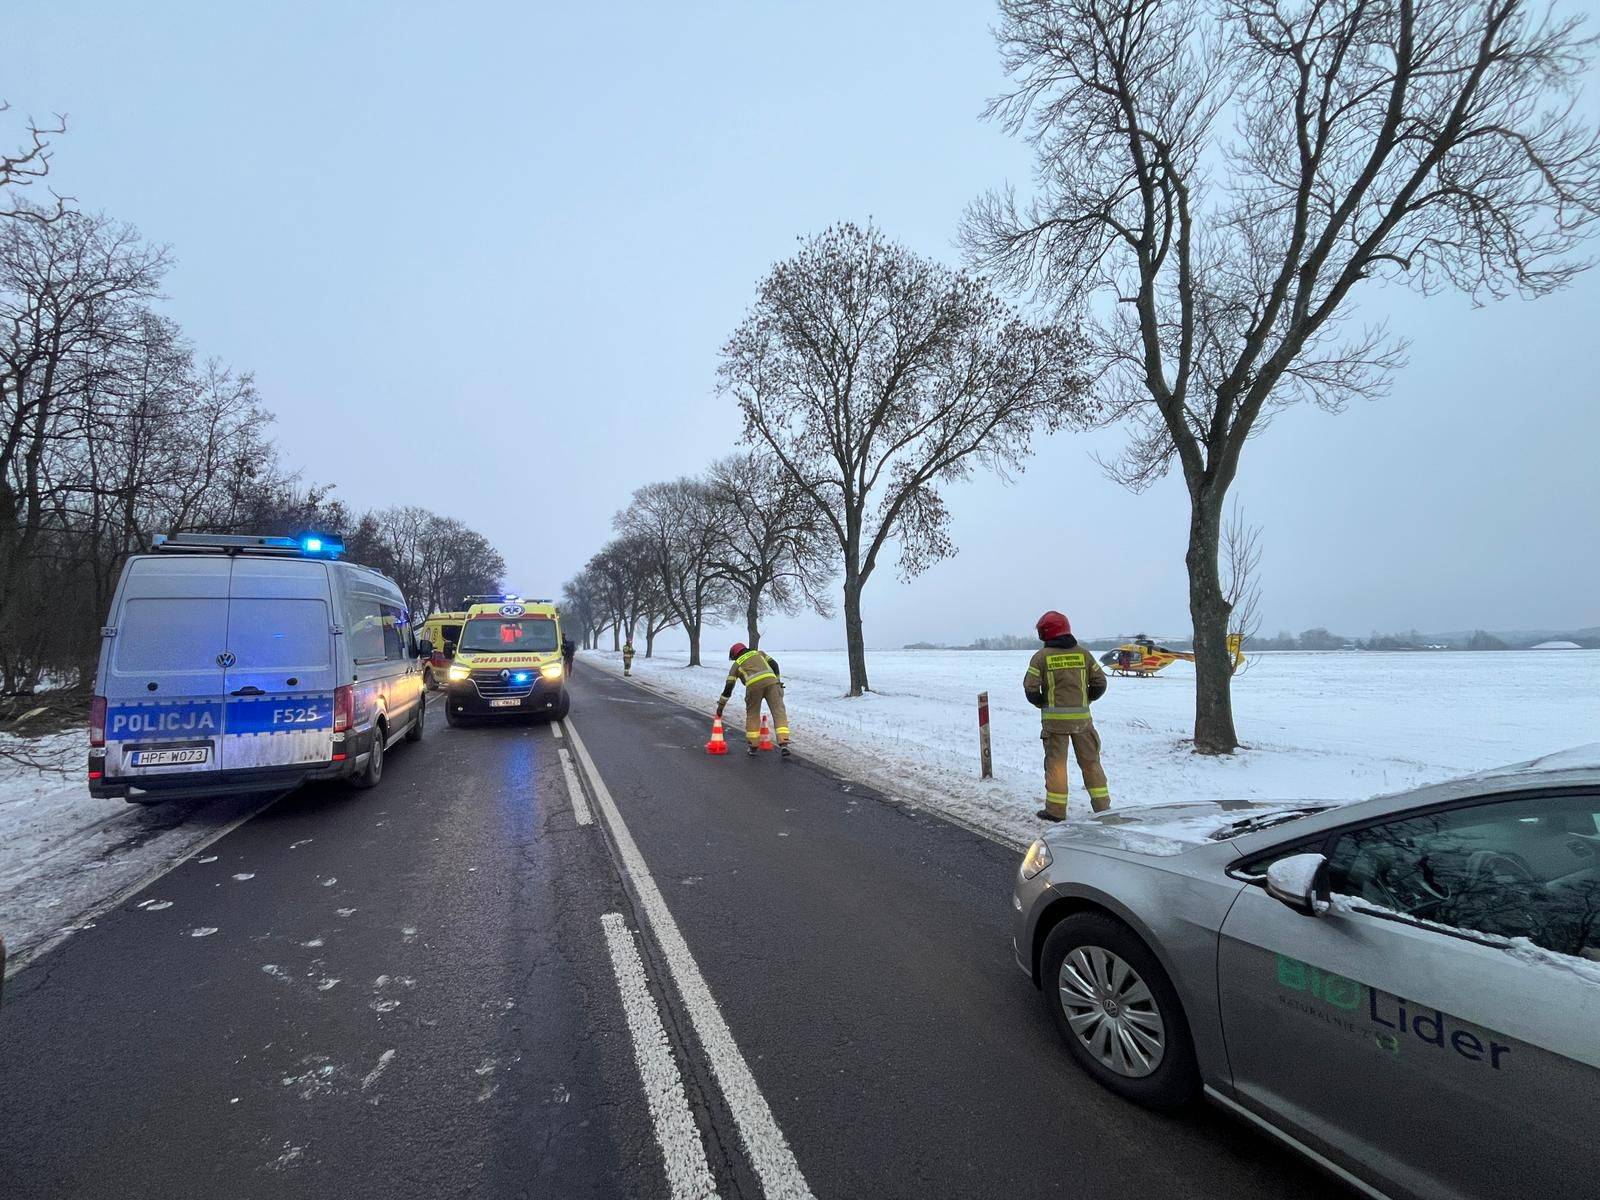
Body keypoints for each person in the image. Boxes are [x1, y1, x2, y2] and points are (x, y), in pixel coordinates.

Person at [1023, 611, 1110, 821]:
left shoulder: (1041, 657)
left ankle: (1056, 811)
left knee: (1056, 766)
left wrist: (1042, 703)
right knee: (1091, 764)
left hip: (1055, 725)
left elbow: (1030, 689)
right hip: (1083, 723)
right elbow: (1100, 683)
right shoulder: (1084, 654)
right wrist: (1085, 700)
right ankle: (1103, 809)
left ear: (1046, 633)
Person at [716, 642, 790, 757]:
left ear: (735, 654)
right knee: (779, 712)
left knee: (753, 714)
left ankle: (753, 746)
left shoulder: (736, 664)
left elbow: (729, 687)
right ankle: (784, 742)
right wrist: (778, 681)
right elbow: (774, 664)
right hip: (772, 683)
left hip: (754, 687)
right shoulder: (759, 653)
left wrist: (721, 706)